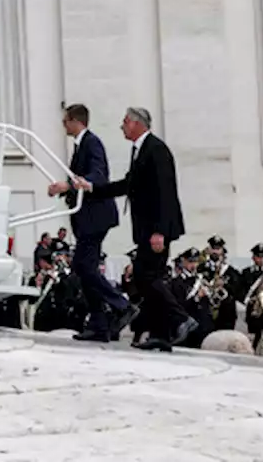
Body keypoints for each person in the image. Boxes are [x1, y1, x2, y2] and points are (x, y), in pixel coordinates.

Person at [70, 107, 195, 351]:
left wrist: (159, 231)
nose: (122, 126)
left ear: (137, 124)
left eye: (125, 122)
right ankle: (161, 334)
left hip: (156, 230)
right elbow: (128, 184)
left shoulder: (156, 150)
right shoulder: (140, 150)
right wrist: (92, 188)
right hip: (147, 229)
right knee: (148, 278)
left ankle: (181, 319)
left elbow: (165, 192)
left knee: (145, 276)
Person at [47, 103, 135, 343]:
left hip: (95, 216)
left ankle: (121, 304)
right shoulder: (81, 145)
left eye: (66, 120)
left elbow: (98, 174)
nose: (64, 125)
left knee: (83, 266)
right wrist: (63, 188)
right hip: (88, 217)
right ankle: (99, 324)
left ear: (77, 121)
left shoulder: (91, 142)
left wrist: (71, 184)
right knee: (86, 268)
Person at [169, 248, 213, 348]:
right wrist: (197, 297)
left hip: (204, 325)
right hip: (188, 327)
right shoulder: (177, 282)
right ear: (183, 261)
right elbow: (179, 306)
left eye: (196, 262)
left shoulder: (201, 279)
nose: (193, 265)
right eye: (190, 261)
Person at [238, 243, 263, 350]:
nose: (260, 259)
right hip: (252, 311)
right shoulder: (246, 272)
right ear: (253, 257)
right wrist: (248, 300)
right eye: (257, 257)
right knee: (252, 338)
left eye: (262, 257)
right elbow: (240, 291)